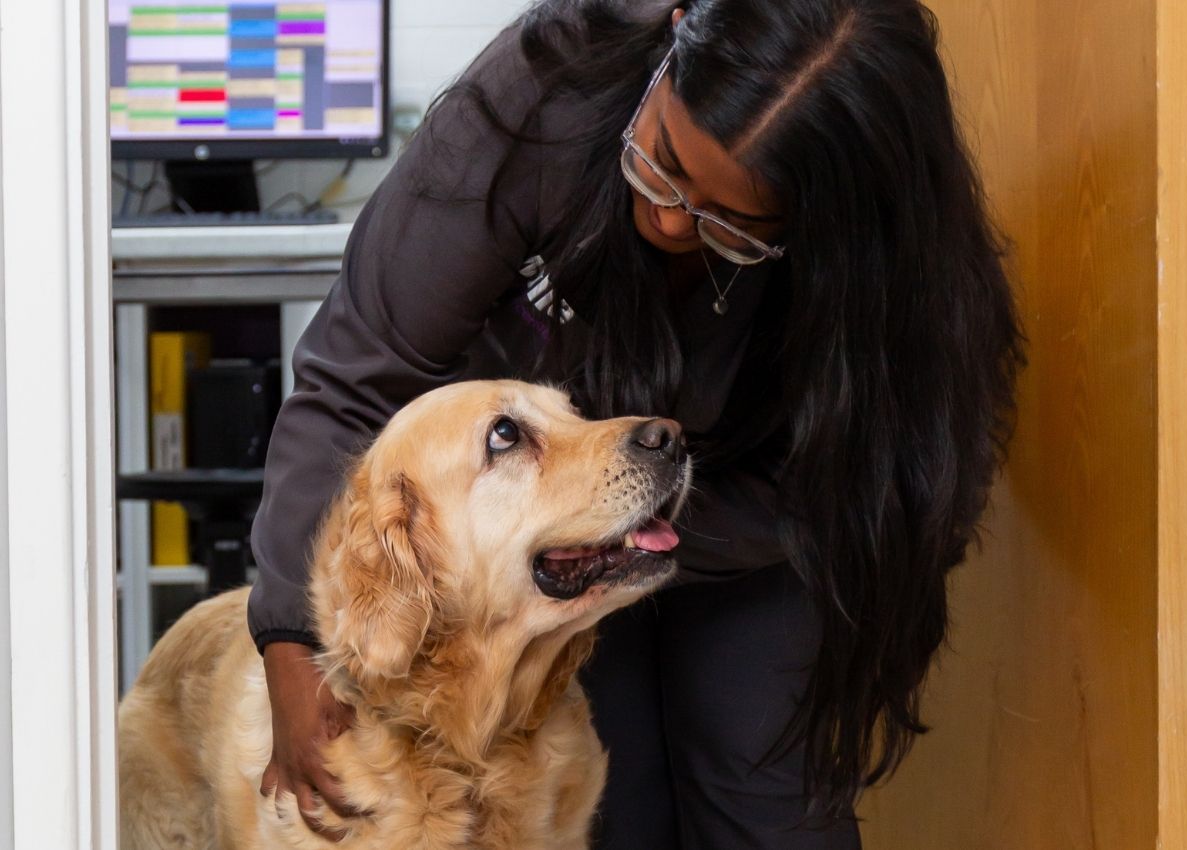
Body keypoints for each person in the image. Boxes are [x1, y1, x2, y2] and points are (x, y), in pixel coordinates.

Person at [249, 1, 1025, 848]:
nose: (667, 219)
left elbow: (904, 477)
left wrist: (655, 532)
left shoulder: (900, 269)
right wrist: (290, 635)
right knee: (614, 803)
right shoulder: (539, 101)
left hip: (765, 526)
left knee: (764, 800)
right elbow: (355, 376)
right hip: (538, 530)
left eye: (730, 225)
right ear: (671, 42)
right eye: (660, 165)